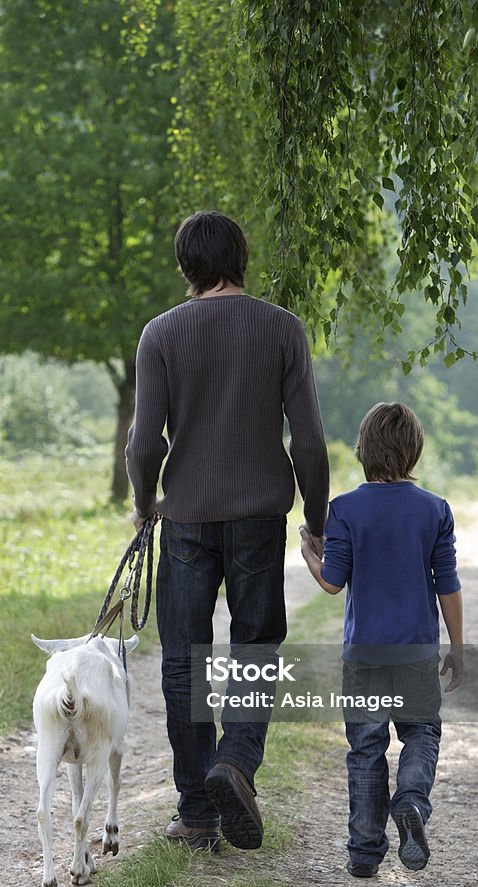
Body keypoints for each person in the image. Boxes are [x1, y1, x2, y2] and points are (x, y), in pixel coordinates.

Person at [126, 210, 329, 852]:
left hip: (184, 515)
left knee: (184, 658)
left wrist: (142, 503)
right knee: (255, 645)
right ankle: (235, 762)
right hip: (259, 516)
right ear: (242, 257)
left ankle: (195, 812)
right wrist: (317, 523)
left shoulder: (160, 334)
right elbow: (310, 440)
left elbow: (142, 441)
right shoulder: (283, 329)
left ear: (187, 267)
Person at [299, 401, 463, 877]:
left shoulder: (345, 509)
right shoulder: (435, 509)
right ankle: (410, 801)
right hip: (416, 652)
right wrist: (458, 646)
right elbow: (447, 583)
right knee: (422, 732)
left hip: (364, 654)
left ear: (363, 450)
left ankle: (365, 852)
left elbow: (332, 582)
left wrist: (311, 552)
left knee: (366, 748)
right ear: (414, 452)